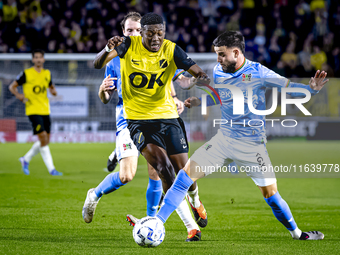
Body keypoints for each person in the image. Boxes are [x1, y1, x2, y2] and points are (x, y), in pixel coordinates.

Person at [154, 31, 328, 241]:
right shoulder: (218, 70)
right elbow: (220, 95)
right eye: (217, 54)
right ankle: (157, 224)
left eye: (221, 54)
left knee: (271, 197)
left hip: (252, 146)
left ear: (236, 52)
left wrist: (311, 89)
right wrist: (200, 102)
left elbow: (288, 87)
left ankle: (298, 234)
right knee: (183, 178)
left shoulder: (259, 72)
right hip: (223, 140)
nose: (217, 60)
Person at [82, 12, 205, 242]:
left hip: (161, 117)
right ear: (123, 32)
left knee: (162, 172)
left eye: (138, 30)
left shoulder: (163, 50)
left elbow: (172, 81)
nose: (134, 34)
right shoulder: (120, 54)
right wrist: (103, 90)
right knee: (129, 175)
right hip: (128, 119)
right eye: (129, 31)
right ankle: (96, 194)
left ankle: (157, 220)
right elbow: (106, 97)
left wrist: (180, 97)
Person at [9, 49, 62, 176]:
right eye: (36, 57)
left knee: (45, 141)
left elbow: (51, 87)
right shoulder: (26, 74)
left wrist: (54, 92)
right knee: (43, 138)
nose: (38, 60)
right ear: (33, 59)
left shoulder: (47, 73)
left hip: (45, 109)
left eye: (40, 57)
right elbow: (12, 86)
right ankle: (52, 169)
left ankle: (25, 159)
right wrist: (19, 96)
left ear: (43, 59)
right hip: (32, 109)